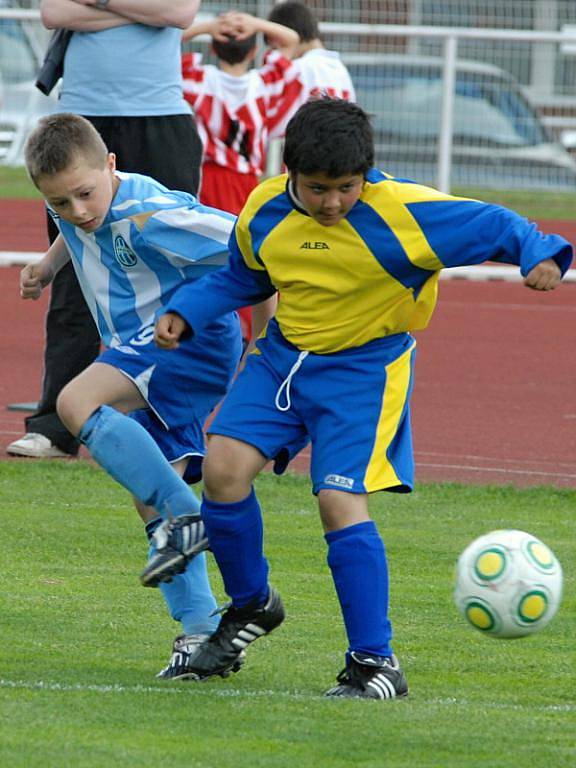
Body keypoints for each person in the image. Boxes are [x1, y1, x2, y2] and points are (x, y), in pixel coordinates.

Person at [148, 98, 573, 698]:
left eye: (346, 187)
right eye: (318, 188)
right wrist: (185, 311)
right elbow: (245, 278)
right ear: (291, 171)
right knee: (222, 470)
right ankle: (250, 606)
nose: (331, 202)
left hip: (363, 372)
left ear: (367, 175)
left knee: (337, 501)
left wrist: (542, 255)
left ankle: (376, 662)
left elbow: (496, 225)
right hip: (281, 360)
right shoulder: (264, 208)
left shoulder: (402, 212)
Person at [20, 113, 243, 679]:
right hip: (143, 349)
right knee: (150, 486)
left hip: (185, 337)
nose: (78, 211)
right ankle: (201, 635)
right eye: (60, 203)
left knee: (75, 405)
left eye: (85, 194)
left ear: (111, 165)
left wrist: (267, 339)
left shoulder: (151, 213)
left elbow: (249, 246)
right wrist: (46, 267)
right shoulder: (73, 204)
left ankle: (192, 518)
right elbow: (72, 230)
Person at [8, 0, 204, 460]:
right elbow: (55, 14)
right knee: (77, 272)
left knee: (174, 268)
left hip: (160, 117)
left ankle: (170, 423)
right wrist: (141, 10)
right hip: (80, 118)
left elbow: (179, 13)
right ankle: (56, 426)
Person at [180, 11, 299, 342]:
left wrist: (211, 27)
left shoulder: (199, 79)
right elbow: (291, 39)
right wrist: (254, 24)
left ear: (214, 50)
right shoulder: (264, 85)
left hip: (210, 177)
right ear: (253, 52)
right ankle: (253, 329)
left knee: (206, 251)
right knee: (249, 254)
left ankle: (208, 325)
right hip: (248, 181)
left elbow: (171, 41)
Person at [265, 1, 356, 138]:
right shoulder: (340, 69)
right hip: (340, 150)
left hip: (311, 150)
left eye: (275, 47)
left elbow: (275, 126)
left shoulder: (299, 69)